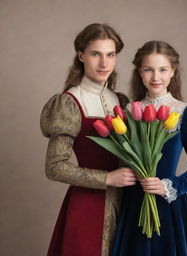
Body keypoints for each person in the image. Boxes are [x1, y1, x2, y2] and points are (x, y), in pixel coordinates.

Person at [40, 23, 136, 256]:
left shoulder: (121, 100)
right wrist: (108, 178)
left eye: (110, 55)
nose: (104, 63)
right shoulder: (70, 102)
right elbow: (54, 167)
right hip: (87, 209)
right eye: (96, 54)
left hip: (127, 206)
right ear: (81, 55)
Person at [111, 41, 187, 256]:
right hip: (133, 207)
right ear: (139, 72)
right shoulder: (128, 111)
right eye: (149, 69)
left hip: (168, 207)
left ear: (173, 71)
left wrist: (170, 186)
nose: (156, 77)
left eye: (163, 69)